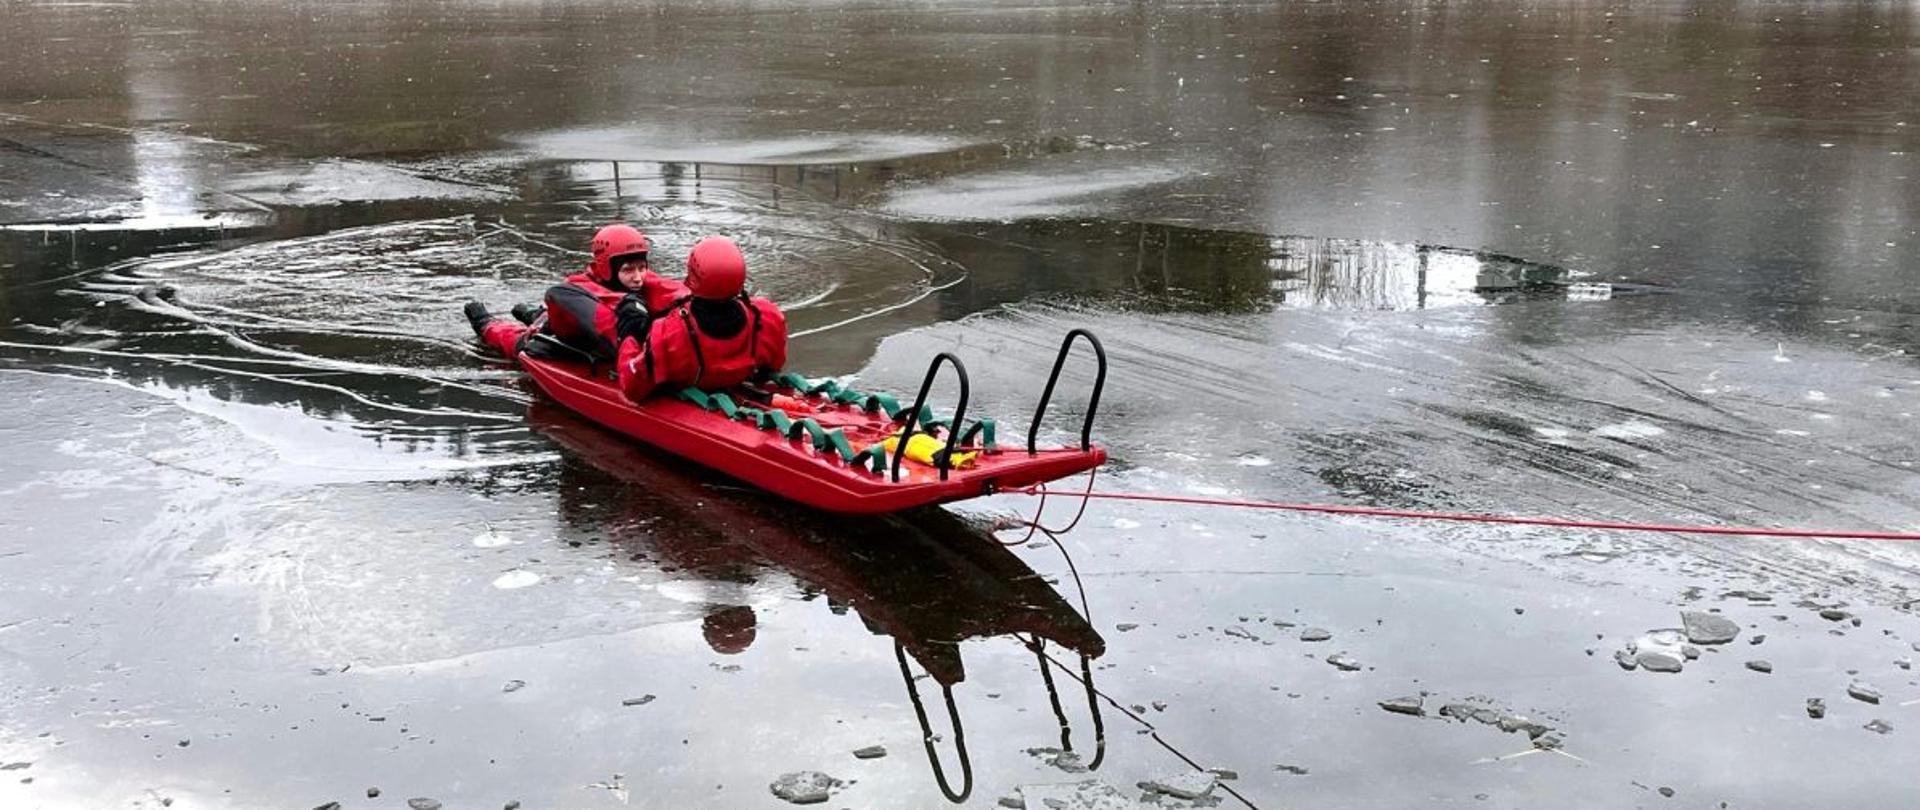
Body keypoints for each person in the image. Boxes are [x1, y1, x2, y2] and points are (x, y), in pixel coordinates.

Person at [465, 223, 687, 360]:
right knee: (526, 342)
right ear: (607, 269)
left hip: (593, 327)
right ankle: (485, 322)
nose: (638, 277)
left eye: (642, 267)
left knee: (542, 315)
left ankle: (531, 313)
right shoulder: (576, 288)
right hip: (567, 333)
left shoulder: (641, 280)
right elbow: (560, 295)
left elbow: (678, 293)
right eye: (628, 270)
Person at [613, 236, 786, 402]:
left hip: (692, 388)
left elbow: (632, 388)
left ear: (692, 275)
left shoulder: (669, 332)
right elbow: (773, 366)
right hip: (741, 378)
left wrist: (630, 334)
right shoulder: (767, 315)